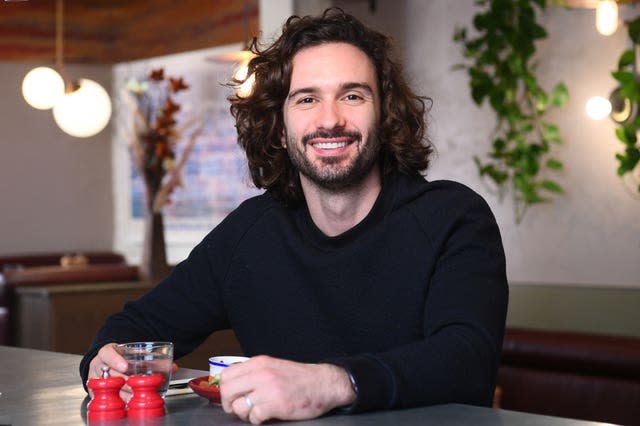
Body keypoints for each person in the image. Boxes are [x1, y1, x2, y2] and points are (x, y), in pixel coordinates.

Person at [80, 8, 508, 425]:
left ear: (385, 115)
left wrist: (328, 383)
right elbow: (136, 326)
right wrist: (107, 360)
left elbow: (467, 359)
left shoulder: (453, 217)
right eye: (306, 99)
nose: (330, 119)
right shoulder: (251, 232)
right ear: (280, 130)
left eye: (353, 95)